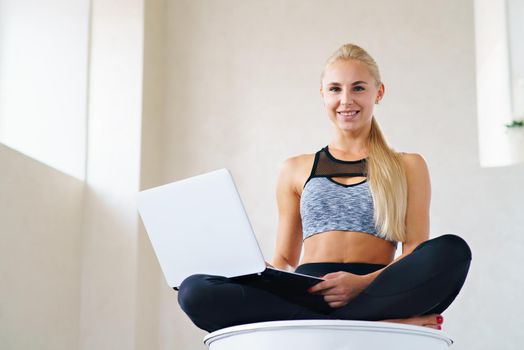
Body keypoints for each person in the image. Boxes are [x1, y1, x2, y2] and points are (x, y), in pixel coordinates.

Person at [177, 43, 472, 333]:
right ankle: (364, 325)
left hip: (374, 289)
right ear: (322, 94)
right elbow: (284, 259)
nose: (346, 100)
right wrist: (242, 267)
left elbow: (415, 251)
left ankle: (338, 321)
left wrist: (360, 284)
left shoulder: (408, 165)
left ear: (378, 93)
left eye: (358, 88)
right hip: (307, 292)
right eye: (335, 89)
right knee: (194, 290)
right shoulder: (294, 168)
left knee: (452, 250)